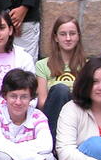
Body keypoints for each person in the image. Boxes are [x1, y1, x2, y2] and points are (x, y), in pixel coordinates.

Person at [36, 15, 86, 146]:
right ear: (56, 37)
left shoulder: (87, 65)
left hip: (79, 116)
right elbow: (41, 103)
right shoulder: (42, 65)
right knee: (60, 90)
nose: (68, 38)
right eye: (63, 34)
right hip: (54, 115)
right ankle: (54, 146)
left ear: (78, 36)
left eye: (72, 34)